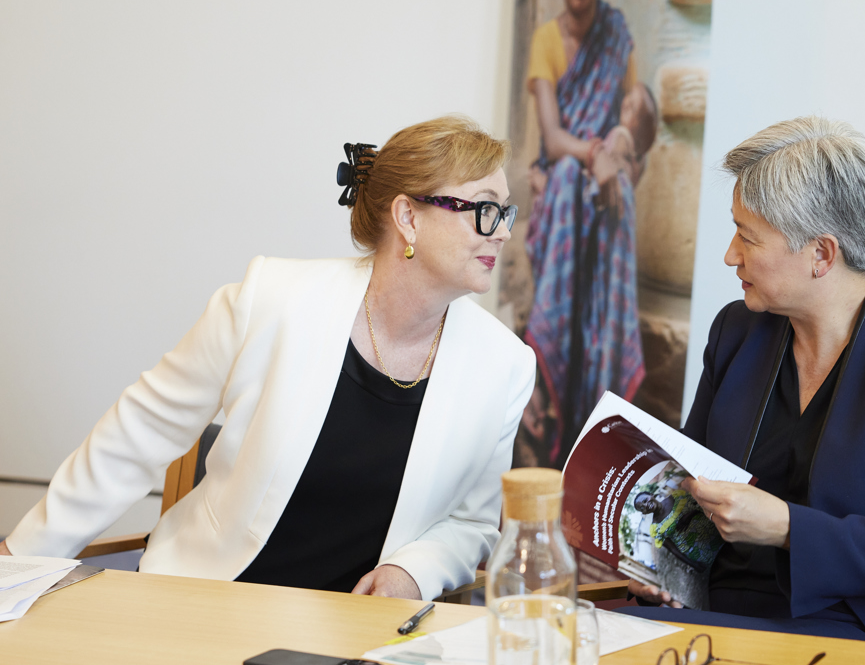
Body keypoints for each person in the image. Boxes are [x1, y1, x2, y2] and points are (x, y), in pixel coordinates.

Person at [0, 116, 535, 601]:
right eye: (485, 210)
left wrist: (414, 572)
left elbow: (472, 522)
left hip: (357, 639)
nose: (505, 230)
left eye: (505, 211)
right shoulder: (269, 299)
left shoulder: (505, 367)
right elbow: (135, 436)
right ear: (408, 218)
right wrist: (19, 559)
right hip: (204, 609)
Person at [626, 117, 865, 649]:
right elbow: (691, 487)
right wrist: (658, 565)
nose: (731, 255)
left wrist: (785, 526)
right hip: (728, 613)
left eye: (748, 236)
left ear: (822, 255)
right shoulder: (737, 331)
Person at [521, 0, 653, 468]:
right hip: (563, 195)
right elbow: (553, 142)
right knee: (571, 174)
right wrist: (596, 154)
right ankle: (547, 394)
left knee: (600, 184)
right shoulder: (547, 41)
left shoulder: (617, 37)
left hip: (604, 197)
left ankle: (598, 425)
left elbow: (637, 132)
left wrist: (616, 158)